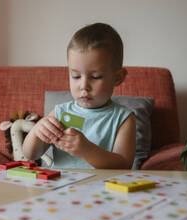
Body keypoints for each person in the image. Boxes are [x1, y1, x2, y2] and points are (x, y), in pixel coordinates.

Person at [23, 23, 136, 169]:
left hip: (102, 190)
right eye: (76, 76)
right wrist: (36, 131)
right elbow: (30, 154)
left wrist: (87, 150)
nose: (84, 86)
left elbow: (124, 165)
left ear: (117, 78)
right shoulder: (60, 113)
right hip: (61, 188)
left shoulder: (123, 118)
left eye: (95, 77)